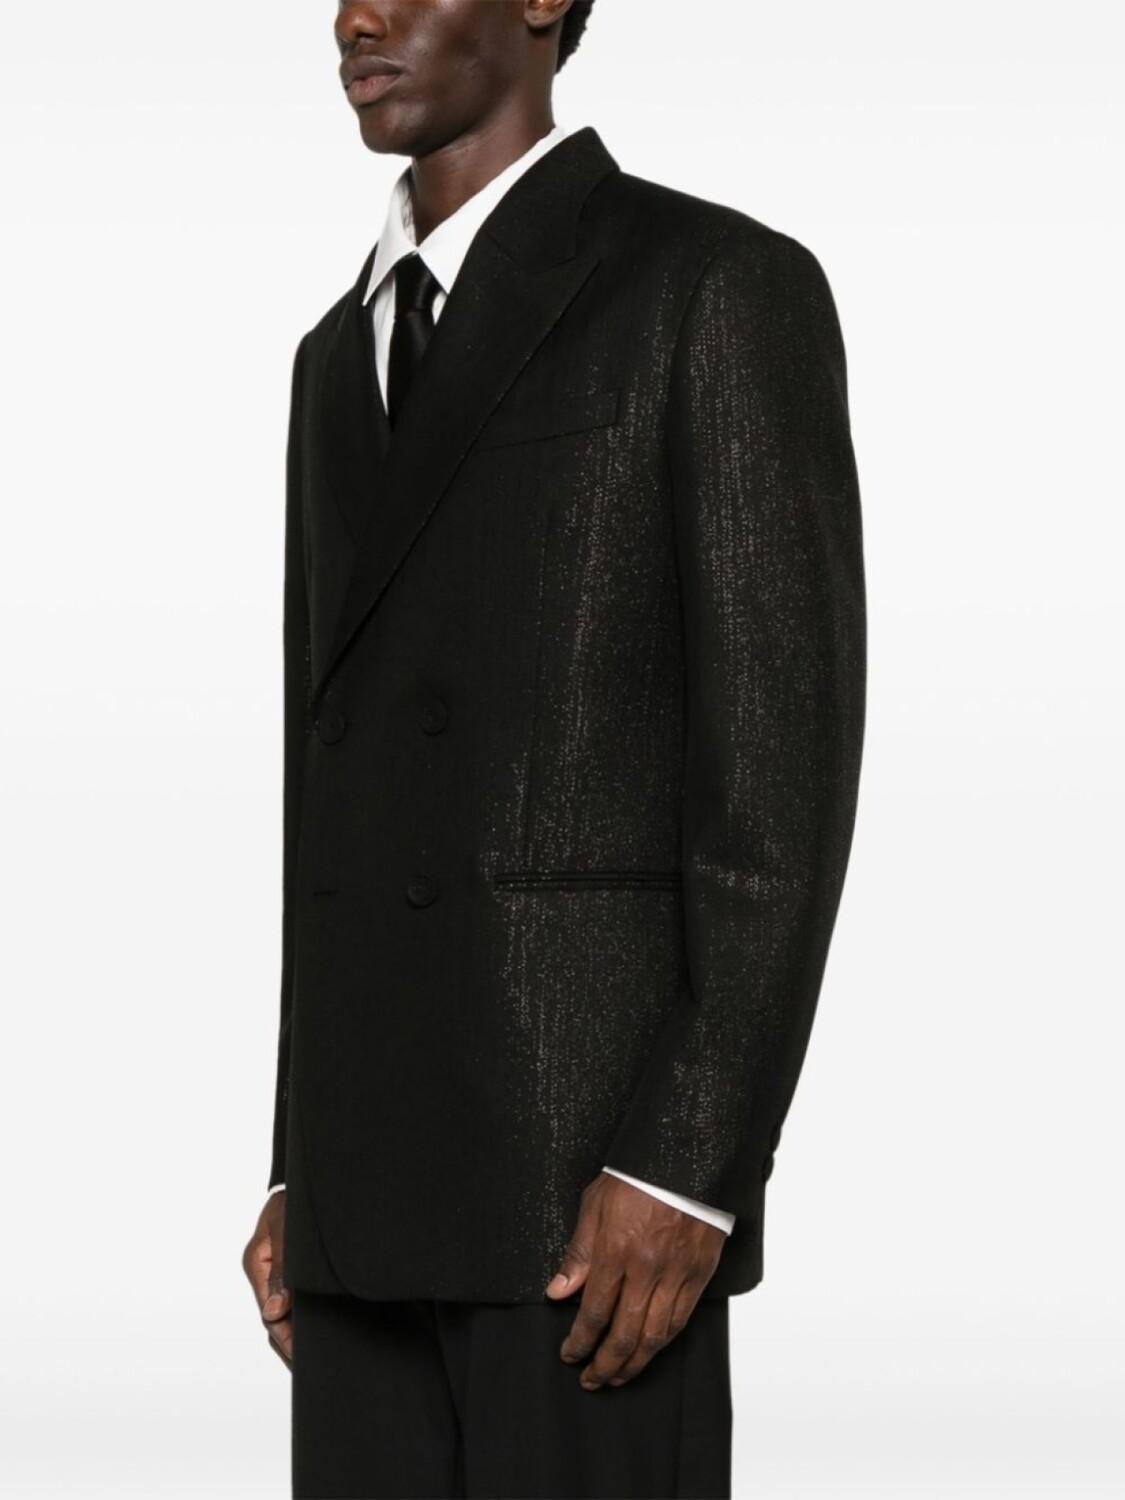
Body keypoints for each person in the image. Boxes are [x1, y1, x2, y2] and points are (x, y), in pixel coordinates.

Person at [241, 2, 866, 1495]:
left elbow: (778, 778)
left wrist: (688, 1167)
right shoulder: (332, 356)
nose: (354, 16)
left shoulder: (711, 286)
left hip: (590, 1200)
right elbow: (328, 800)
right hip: (360, 1198)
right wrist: (296, 1156)